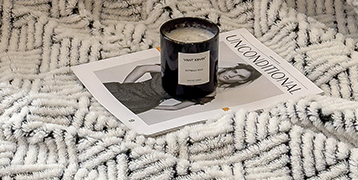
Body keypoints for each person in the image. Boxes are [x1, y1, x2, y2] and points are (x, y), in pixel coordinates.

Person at [103, 62, 262, 116]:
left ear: (240, 82)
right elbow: (142, 68)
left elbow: (176, 107)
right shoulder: (192, 68)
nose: (232, 75)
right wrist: (126, 86)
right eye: (234, 71)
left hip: (142, 103)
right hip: (126, 90)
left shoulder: (208, 92)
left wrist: (152, 105)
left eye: (239, 77)